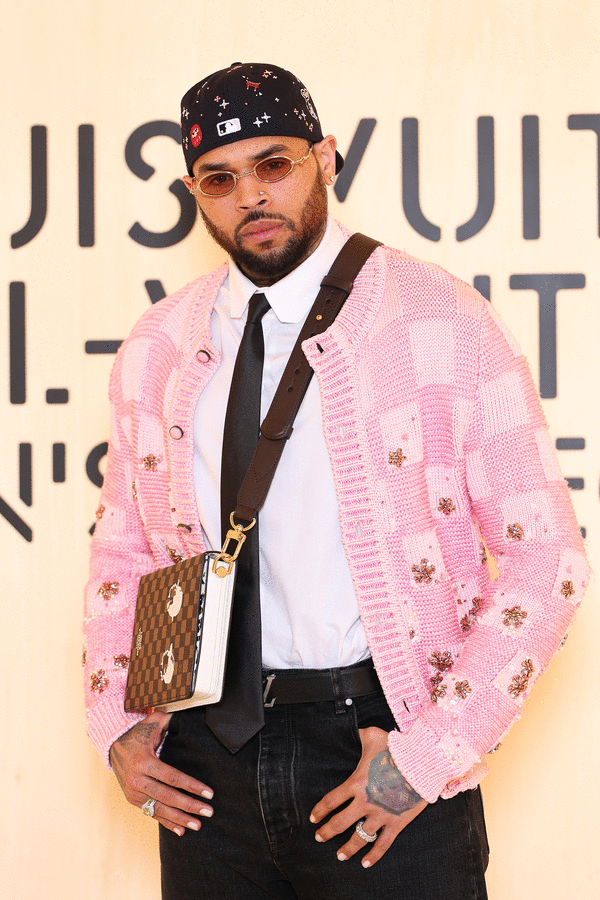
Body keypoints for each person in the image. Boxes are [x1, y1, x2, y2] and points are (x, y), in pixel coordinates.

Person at [84, 62, 588, 900]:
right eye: (220, 178)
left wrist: (429, 755)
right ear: (195, 191)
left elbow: (548, 559)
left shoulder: (438, 316)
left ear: (324, 158)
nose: (251, 195)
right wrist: (119, 722)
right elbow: (127, 548)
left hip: (380, 744)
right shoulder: (161, 342)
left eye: (274, 164)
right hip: (205, 761)